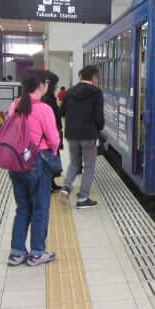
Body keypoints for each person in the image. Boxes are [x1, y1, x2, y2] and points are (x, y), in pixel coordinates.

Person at [6, 69, 60, 266]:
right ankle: (37, 252)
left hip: (16, 161)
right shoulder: (44, 109)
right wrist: (52, 153)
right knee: (40, 208)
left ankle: (17, 252)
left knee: (22, 208)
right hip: (37, 162)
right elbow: (54, 139)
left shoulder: (15, 105)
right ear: (41, 85)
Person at [60, 65, 104, 208]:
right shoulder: (96, 93)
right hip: (88, 135)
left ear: (81, 77)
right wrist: (100, 128)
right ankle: (83, 198)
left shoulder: (71, 91)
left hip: (72, 134)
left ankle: (66, 187)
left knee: (74, 163)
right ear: (93, 78)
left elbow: (62, 111)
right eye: (97, 78)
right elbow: (98, 115)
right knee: (89, 166)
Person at [41, 71, 64, 192]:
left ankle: (52, 182)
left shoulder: (50, 98)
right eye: (55, 83)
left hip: (52, 135)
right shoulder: (46, 99)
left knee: (52, 160)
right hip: (48, 138)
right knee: (49, 161)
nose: (57, 86)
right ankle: (48, 184)